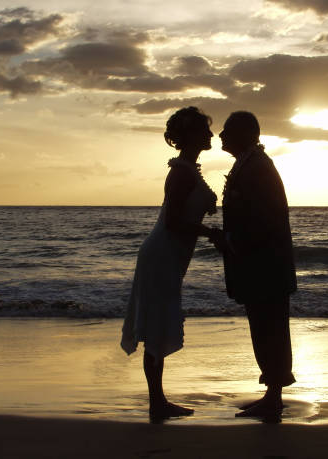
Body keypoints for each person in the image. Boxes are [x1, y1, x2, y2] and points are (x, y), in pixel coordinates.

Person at [121, 106, 218, 420]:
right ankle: (157, 403)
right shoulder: (180, 172)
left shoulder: (188, 170)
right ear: (190, 136)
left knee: (158, 325)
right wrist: (210, 233)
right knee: (156, 326)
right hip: (162, 253)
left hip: (169, 255)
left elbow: (185, 212)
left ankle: (158, 401)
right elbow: (175, 221)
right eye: (205, 130)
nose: (211, 135)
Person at [210, 111, 297, 418]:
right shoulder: (249, 164)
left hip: (266, 267)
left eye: (227, 130)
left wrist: (229, 240)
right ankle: (271, 393)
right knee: (263, 328)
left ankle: (274, 398)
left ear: (246, 134)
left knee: (270, 327)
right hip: (258, 265)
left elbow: (263, 220)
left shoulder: (257, 167)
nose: (221, 136)